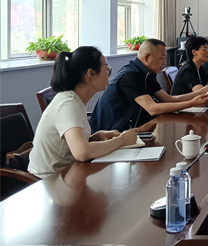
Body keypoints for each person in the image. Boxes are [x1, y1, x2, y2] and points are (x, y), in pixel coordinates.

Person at [29, 47, 138, 177]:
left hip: (69, 173)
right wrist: (122, 140)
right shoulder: (68, 104)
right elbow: (82, 153)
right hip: (49, 180)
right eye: (107, 69)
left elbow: (70, 145)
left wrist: (96, 137)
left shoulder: (75, 99)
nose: (109, 74)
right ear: (90, 74)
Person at [89, 39, 208, 132]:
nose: (165, 62)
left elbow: (168, 99)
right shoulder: (130, 76)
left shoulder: (148, 74)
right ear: (147, 57)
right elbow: (152, 109)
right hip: (110, 133)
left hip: (132, 129)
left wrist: (200, 92)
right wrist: (192, 103)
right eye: (162, 58)